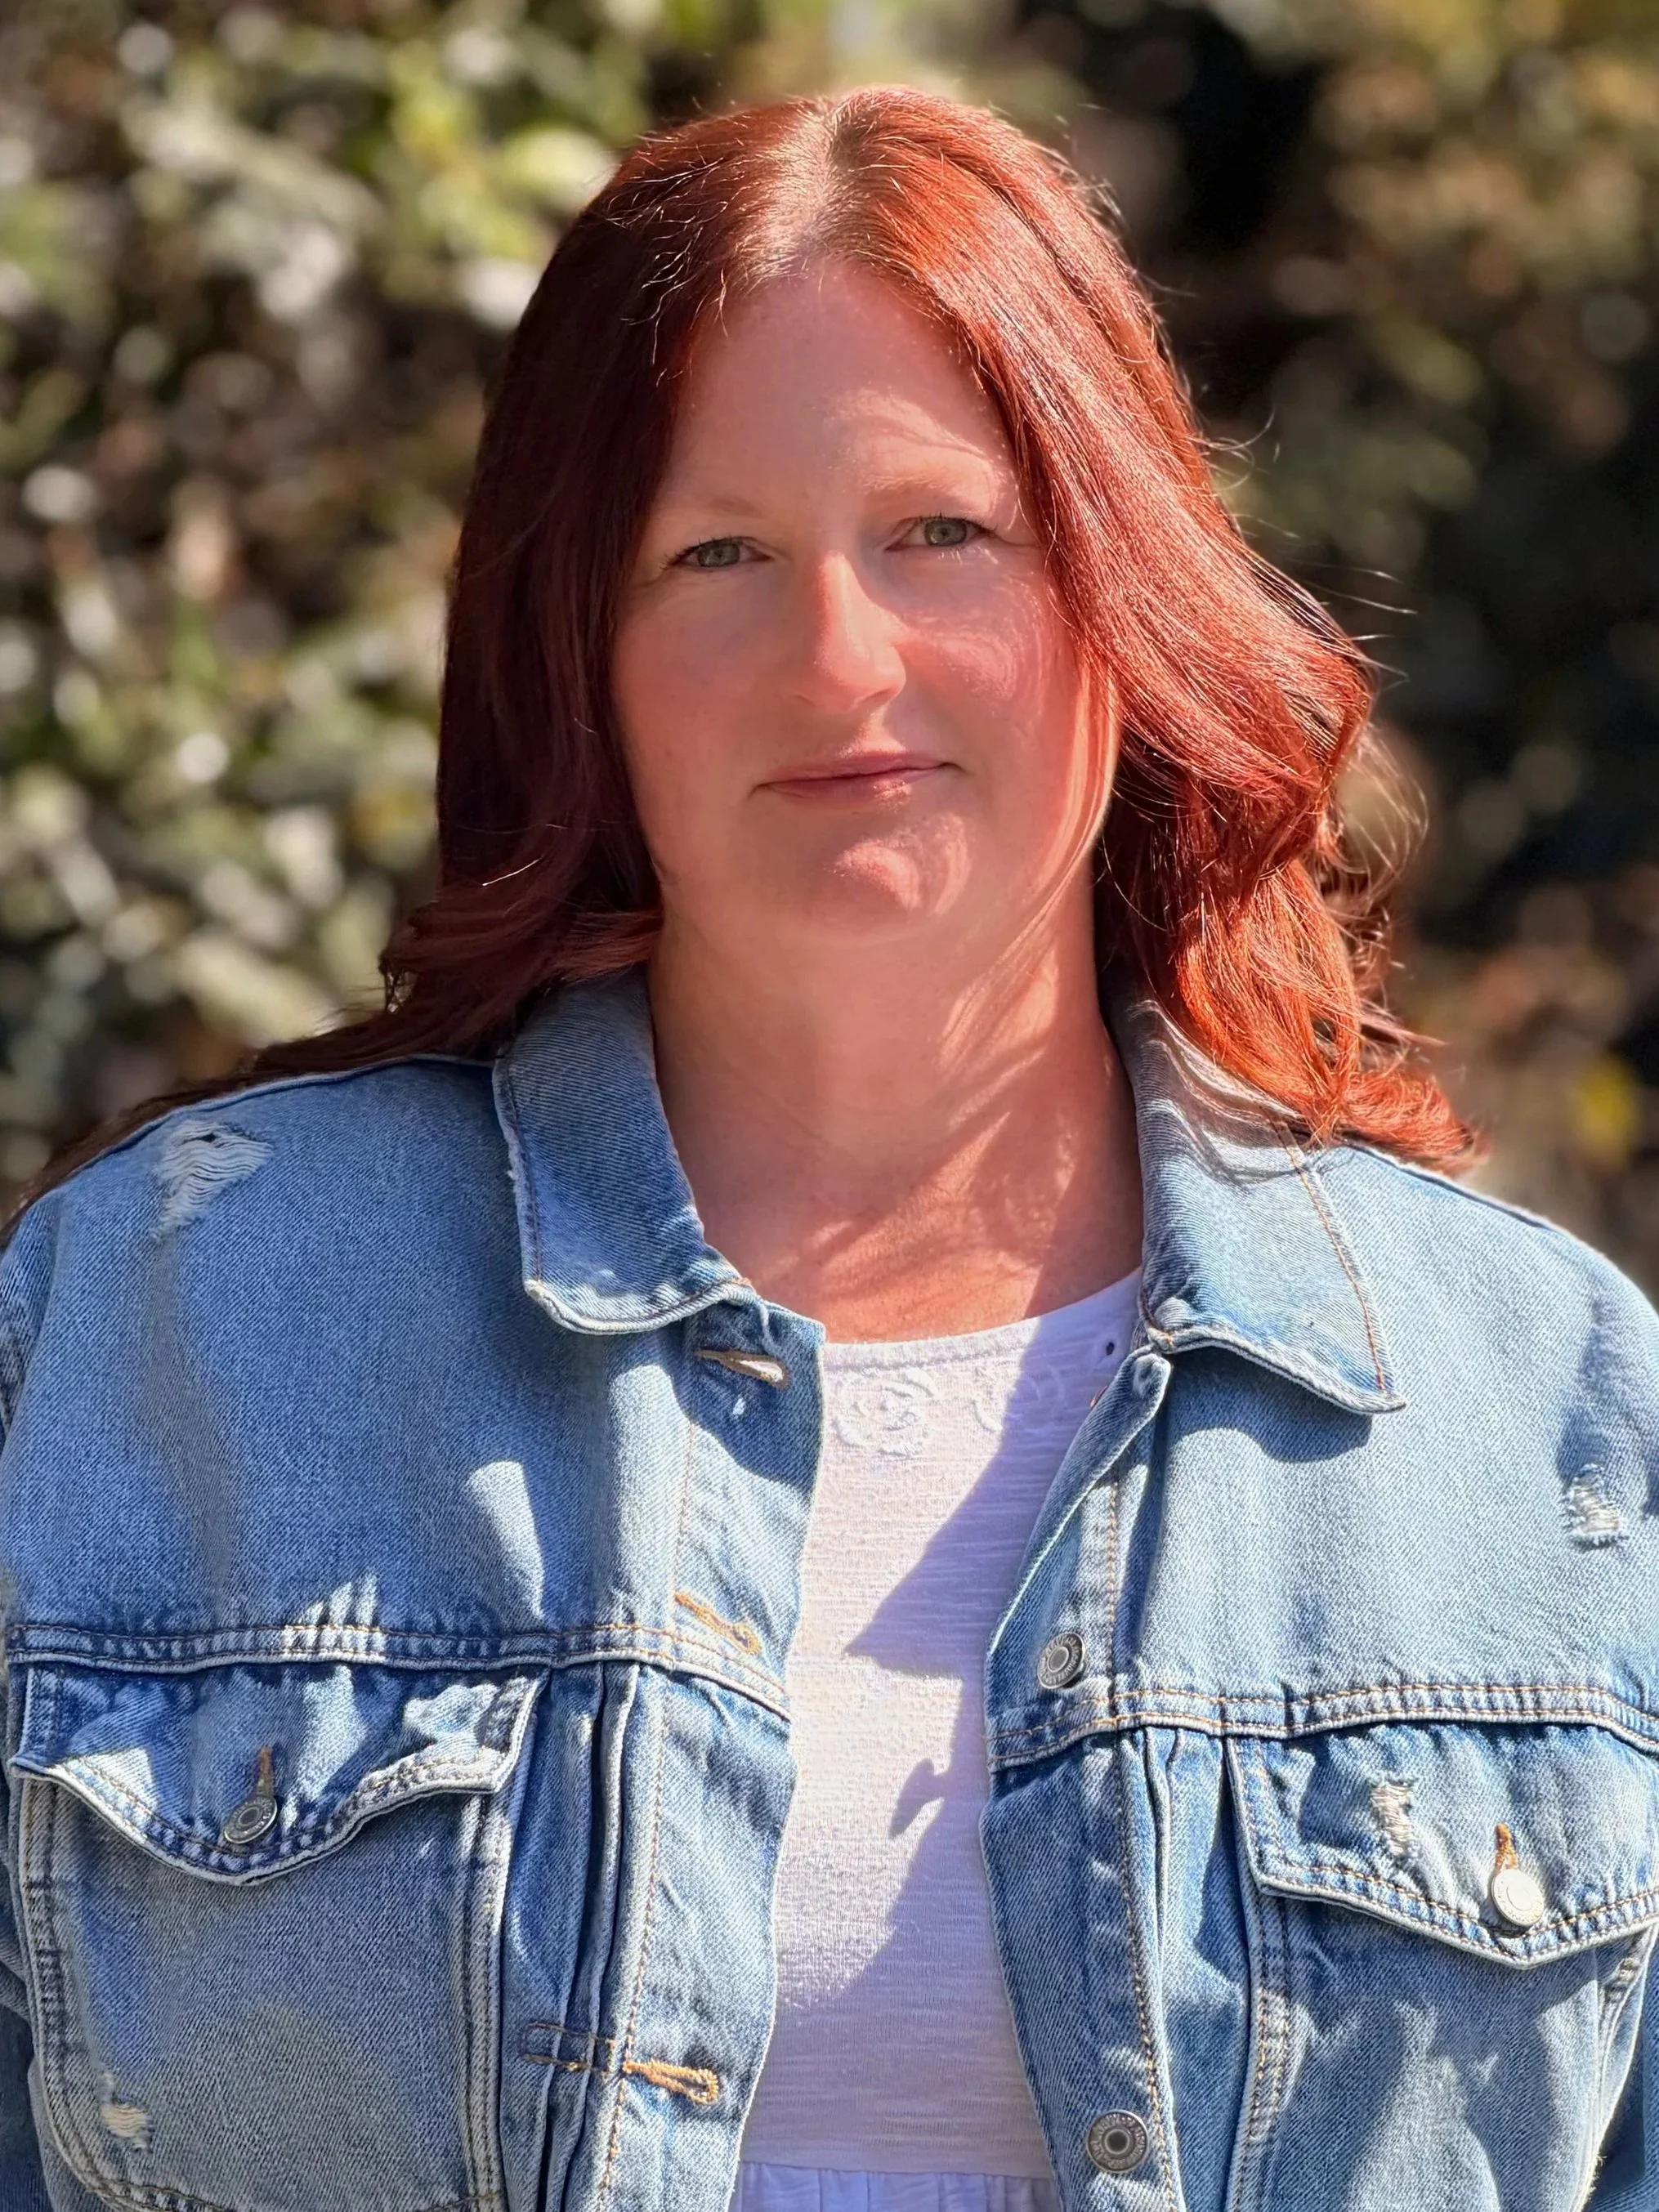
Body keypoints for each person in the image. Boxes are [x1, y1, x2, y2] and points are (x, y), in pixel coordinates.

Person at [0, 82, 1654, 2212]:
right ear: (578, 654)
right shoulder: (159, 1328)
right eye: (716, 557)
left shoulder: (1541, 1418)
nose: (838, 661)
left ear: (1114, 593)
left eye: (937, 535)